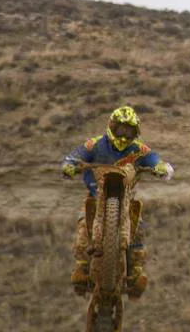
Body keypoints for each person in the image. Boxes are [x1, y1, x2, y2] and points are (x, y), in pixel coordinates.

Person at [61, 106, 174, 298]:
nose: (124, 135)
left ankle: (136, 271)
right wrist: (69, 166)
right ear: (111, 126)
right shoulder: (95, 144)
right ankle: (81, 267)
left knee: (138, 224)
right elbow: (74, 156)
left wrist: (161, 167)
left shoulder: (139, 149)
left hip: (127, 197)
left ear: (135, 133)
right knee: (83, 221)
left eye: (129, 131)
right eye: (120, 129)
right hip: (96, 194)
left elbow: (154, 158)